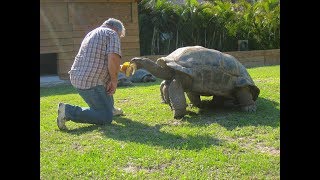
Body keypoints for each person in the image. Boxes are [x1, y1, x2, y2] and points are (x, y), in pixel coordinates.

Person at [56, 18, 127, 130]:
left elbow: (100, 61)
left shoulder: (92, 33)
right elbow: (113, 58)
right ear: (115, 29)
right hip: (91, 80)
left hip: (78, 76)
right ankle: (68, 111)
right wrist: (114, 80)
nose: (118, 38)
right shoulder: (112, 34)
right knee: (105, 117)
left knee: (106, 85)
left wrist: (118, 70)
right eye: (119, 35)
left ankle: (111, 109)